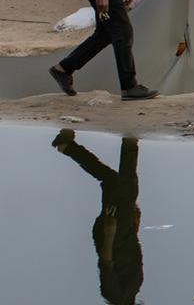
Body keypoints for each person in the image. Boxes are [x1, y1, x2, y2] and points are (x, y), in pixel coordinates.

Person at [53, 130, 144, 304]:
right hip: (124, 231)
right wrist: (135, 223)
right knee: (111, 181)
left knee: (127, 186)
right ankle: (67, 147)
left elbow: (106, 263)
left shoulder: (115, 296)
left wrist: (110, 231)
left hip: (114, 235)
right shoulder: (132, 291)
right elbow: (134, 251)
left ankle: (130, 143)